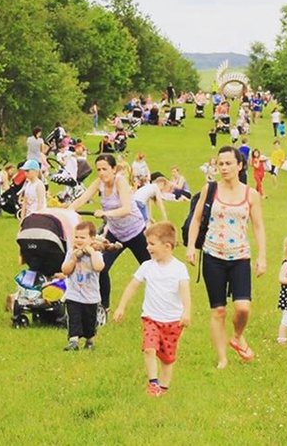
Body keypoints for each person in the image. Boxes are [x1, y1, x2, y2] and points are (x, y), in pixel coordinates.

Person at [185, 146, 267, 368]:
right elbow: (196, 219)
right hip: (213, 255)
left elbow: (258, 226)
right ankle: (222, 358)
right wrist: (191, 246)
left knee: (243, 308)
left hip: (240, 256)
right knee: (218, 310)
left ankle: (238, 336)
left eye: (228, 163)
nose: (223, 168)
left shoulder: (251, 194)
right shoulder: (210, 189)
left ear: (240, 166)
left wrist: (262, 256)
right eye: (220, 164)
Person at [114, 222, 191, 396]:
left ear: (167, 246)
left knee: (167, 359)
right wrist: (121, 307)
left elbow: (185, 291)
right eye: (147, 243)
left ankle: (163, 388)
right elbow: (133, 286)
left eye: (151, 244)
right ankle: (153, 383)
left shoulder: (179, 268)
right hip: (151, 318)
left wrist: (186, 312)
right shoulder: (147, 266)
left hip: (173, 321)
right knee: (149, 348)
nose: (147, 247)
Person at [68, 154, 150, 313]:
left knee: (150, 269)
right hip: (115, 234)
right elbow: (82, 198)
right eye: (98, 169)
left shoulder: (121, 182)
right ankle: (104, 307)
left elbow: (126, 208)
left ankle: (157, 307)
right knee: (101, 267)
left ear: (113, 169)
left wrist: (106, 213)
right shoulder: (98, 183)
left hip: (136, 232)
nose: (101, 173)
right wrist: (66, 211)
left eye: (105, 169)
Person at [59, 221, 104, 351]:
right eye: (76, 237)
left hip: (91, 296)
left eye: (82, 238)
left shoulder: (96, 255)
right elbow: (65, 270)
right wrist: (73, 259)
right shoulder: (71, 253)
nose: (78, 240)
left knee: (89, 321)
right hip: (74, 295)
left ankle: (90, 340)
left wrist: (92, 253)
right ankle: (73, 341)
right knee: (74, 318)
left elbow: (99, 267)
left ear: (92, 239)